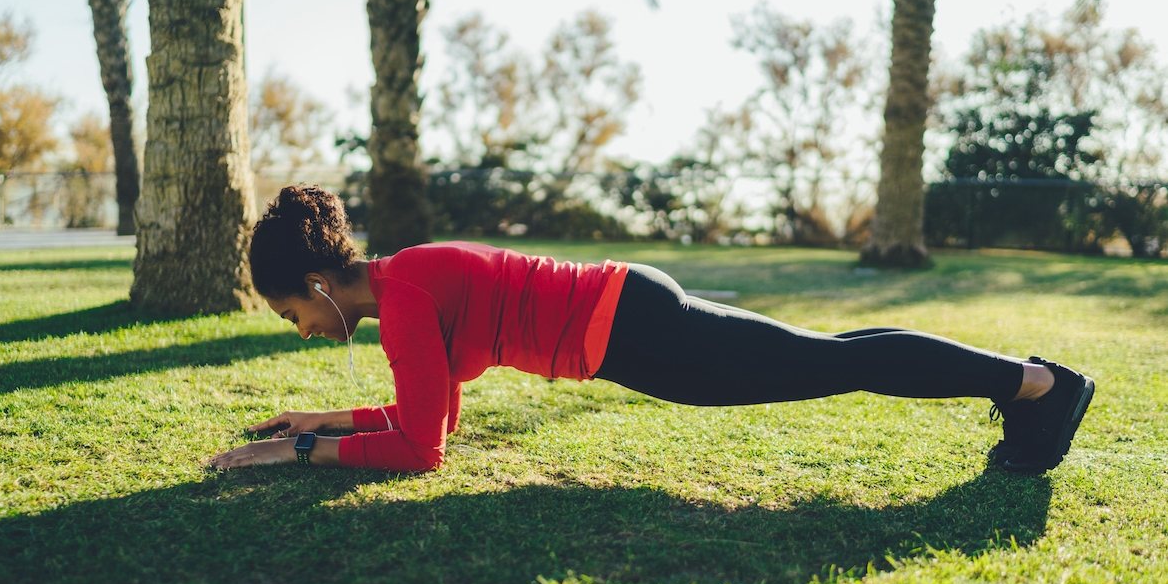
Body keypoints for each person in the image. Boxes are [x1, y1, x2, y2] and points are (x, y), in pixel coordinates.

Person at [208, 185, 1095, 475]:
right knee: (833, 357)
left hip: (639, 335)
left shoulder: (401, 304)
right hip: (634, 314)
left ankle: (1038, 388)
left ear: (318, 283)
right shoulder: (405, 282)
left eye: (293, 314)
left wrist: (292, 456)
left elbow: (423, 449)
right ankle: (1033, 387)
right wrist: (319, 424)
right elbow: (428, 422)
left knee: (832, 364)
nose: (301, 331)